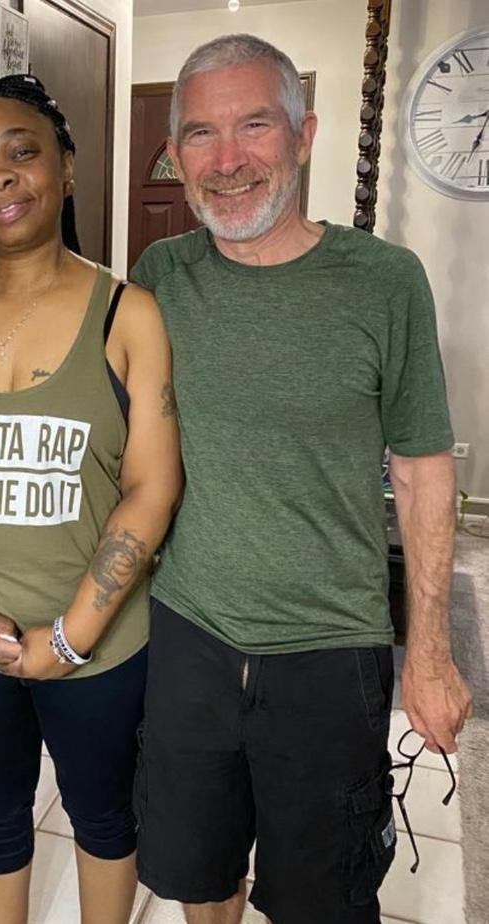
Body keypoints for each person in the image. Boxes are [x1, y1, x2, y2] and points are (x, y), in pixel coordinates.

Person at [129, 33, 473, 924]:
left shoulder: (384, 282)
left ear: (304, 134)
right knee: (202, 878)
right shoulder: (161, 276)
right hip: (188, 637)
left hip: (331, 651)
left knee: (324, 899)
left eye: (254, 125)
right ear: (174, 155)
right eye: (200, 134)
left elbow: (423, 470)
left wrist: (430, 652)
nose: (228, 160)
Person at [0, 74, 182, 924]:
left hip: (99, 646)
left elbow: (152, 487)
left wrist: (71, 637)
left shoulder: (128, 312)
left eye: (21, 152)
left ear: (66, 168)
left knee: (102, 814)